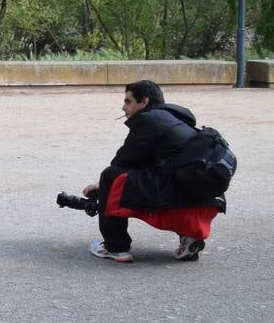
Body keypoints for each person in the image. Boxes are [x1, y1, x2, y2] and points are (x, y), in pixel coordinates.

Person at [83, 80, 224, 263]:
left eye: (128, 101)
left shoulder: (147, 120)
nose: (123, 107)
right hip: (207, 197)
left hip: (180, 194)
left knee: (110, 176)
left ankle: (115, 247)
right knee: (159, 176)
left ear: (144, 102)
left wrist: (99, 186)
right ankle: (189, 238)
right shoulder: (177, 119)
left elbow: (124, 160)